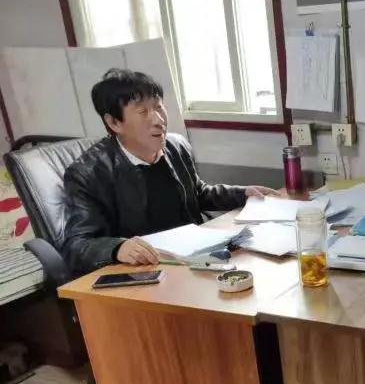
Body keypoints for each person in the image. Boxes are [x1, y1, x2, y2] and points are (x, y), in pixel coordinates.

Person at [62, 68, 279, 276]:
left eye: (158, 107)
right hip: (143, 273)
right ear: (114, 122)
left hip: (192, 261)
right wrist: (117, 248)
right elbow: (76, 245)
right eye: (143, 112)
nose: (158, 120)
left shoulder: (176, 146)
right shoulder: (88, 173)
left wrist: (243, 194)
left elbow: (198, 194)